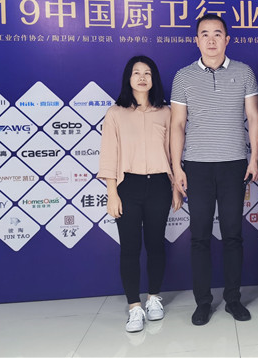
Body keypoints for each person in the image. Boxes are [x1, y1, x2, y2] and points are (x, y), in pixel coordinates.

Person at [170, 14, 258, 326]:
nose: (211, 40)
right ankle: (203, 302)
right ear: (196, 40)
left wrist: (254, 158)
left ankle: (233, 299)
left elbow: (254, 117)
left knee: (233, 235)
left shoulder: (244, 72)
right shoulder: (183, 76)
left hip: (234, 164)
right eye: (205, 34)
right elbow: (177, 124)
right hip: (196, 166)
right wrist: (177, 167)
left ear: (227, 39)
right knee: (200, 237)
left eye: (217, 34)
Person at [97, 55, 181, 333]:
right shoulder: (115, 113)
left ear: (154, 79)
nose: (142, 77)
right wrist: (112, 193)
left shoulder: (166, 112)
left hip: (159, 185)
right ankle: (134, 307)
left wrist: (176, 188)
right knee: (130, 248)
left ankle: (154, 298)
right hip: (128, 186)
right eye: (137, 73)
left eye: (148, 73)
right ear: (129, 78)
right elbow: (109, 155)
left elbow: (173, 153)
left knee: (156, 244)